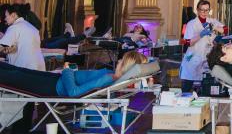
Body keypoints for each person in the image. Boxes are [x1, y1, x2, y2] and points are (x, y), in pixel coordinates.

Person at [0, 51, 149, 98]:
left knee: (13, 75)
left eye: (121, 60)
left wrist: (67, 71)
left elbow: (73, 92)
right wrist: (70, 71)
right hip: (56, 81)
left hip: (52, 87)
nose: (118, 61)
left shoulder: (107, 78)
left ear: (125, 66)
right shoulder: (111, 76)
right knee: (16, 70)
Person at [0, 3, 46, 134]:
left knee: (21, 99)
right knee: (28, 101)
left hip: (25, 69)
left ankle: (18, 130)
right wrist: (10, 49)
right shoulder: (30, 27)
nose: (4, 19)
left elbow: (2, 45)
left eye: (6, 16)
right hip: (37, 69)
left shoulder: (15, 28)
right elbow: (18, 47)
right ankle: (23, 130)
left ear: (14, 15)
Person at [179, 0, 225, 93]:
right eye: (202, 10)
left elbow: (225, 30)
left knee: (206, 86)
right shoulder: (191, 24)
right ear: (197, 10)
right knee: (187, 88)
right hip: (193, 58)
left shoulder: (212, 21)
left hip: (207, 58)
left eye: (207, 10)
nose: (204, 13)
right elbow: (187, 43)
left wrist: (214, 27)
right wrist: (201, 35)